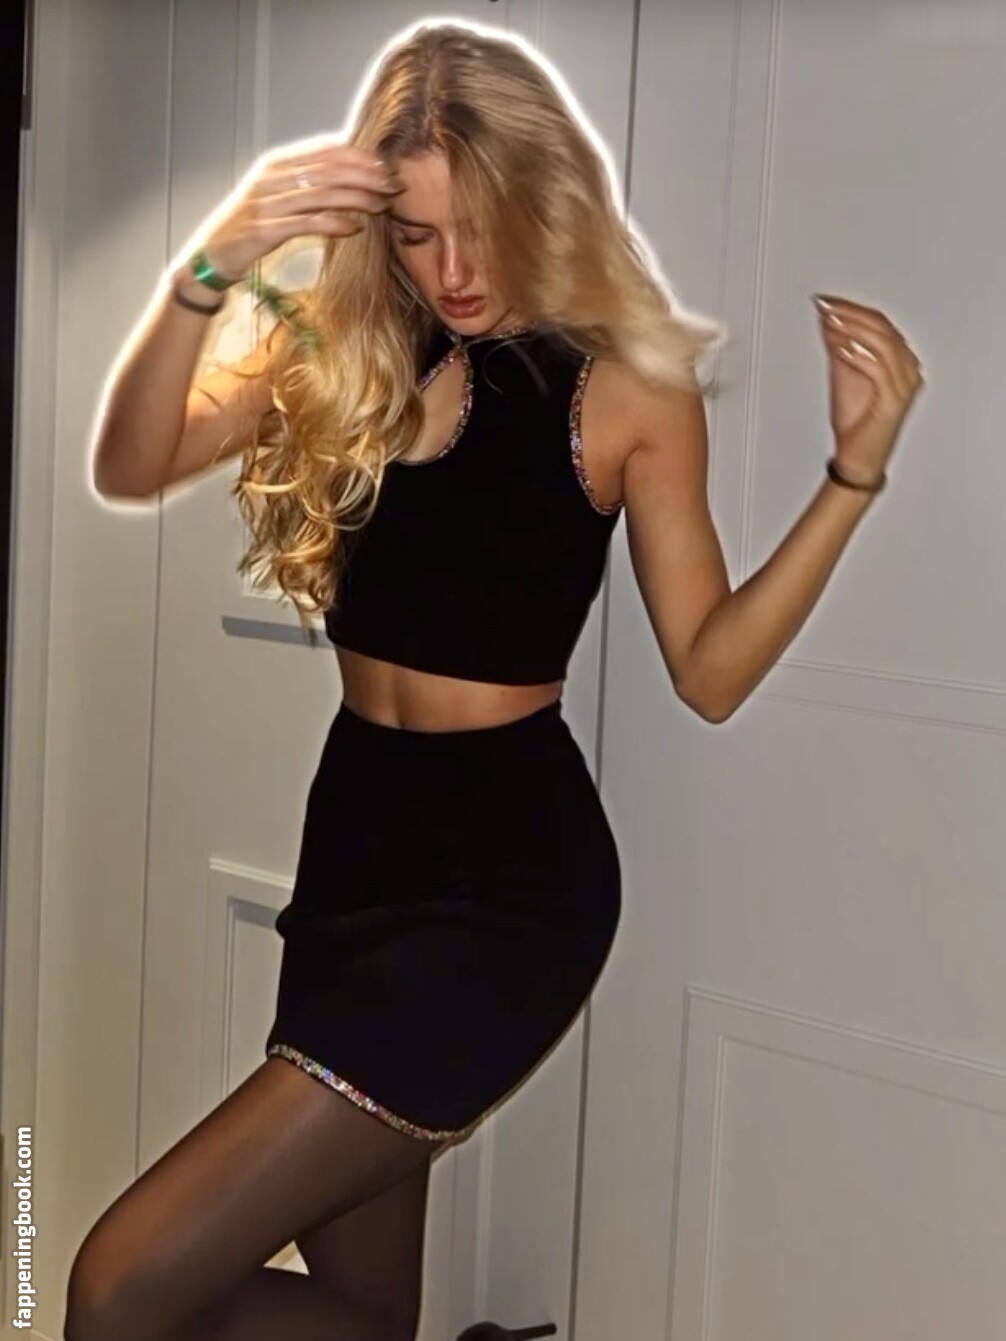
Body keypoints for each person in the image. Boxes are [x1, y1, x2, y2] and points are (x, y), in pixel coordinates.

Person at [67, 18, 924, 1341]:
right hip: (354, 854)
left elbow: (708, 670)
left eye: (482, 227)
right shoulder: (337, 342)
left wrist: (851, 475)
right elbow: (131, 463)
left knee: (116, 1289)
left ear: (543, 196)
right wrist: (215, 264)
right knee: (354, 1312)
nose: (454, 271)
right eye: (416, 234)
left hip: (506, 893)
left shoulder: (621, 390)